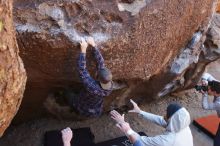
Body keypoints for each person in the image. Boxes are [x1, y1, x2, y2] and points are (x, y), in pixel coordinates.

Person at [65, 37, 113, 117]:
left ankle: (74, 108)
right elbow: (101, 64)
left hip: (83, 105)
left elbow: (82, 70)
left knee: (67, 93)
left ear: (98, 77)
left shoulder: (92, 86)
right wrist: (93, 45)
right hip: (95, 107)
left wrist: (83, 50)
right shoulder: (110, 85)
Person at [110, 100, 193, 146]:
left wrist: (126, 128)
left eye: (167, 114)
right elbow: (162, 120)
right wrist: (140, 112)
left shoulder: (167, 141)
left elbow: (139, 141)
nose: (164, 115)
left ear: (172, 120)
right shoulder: (182, 126)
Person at [197, 72, 220, 146]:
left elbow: (206, 106)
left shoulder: (219, 103)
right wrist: (204, 80)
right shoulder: (217, 85)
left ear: (215, 93)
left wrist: (205, 95)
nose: (207, 89)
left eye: (208, 89)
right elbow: (207, 74)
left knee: (217, 142)